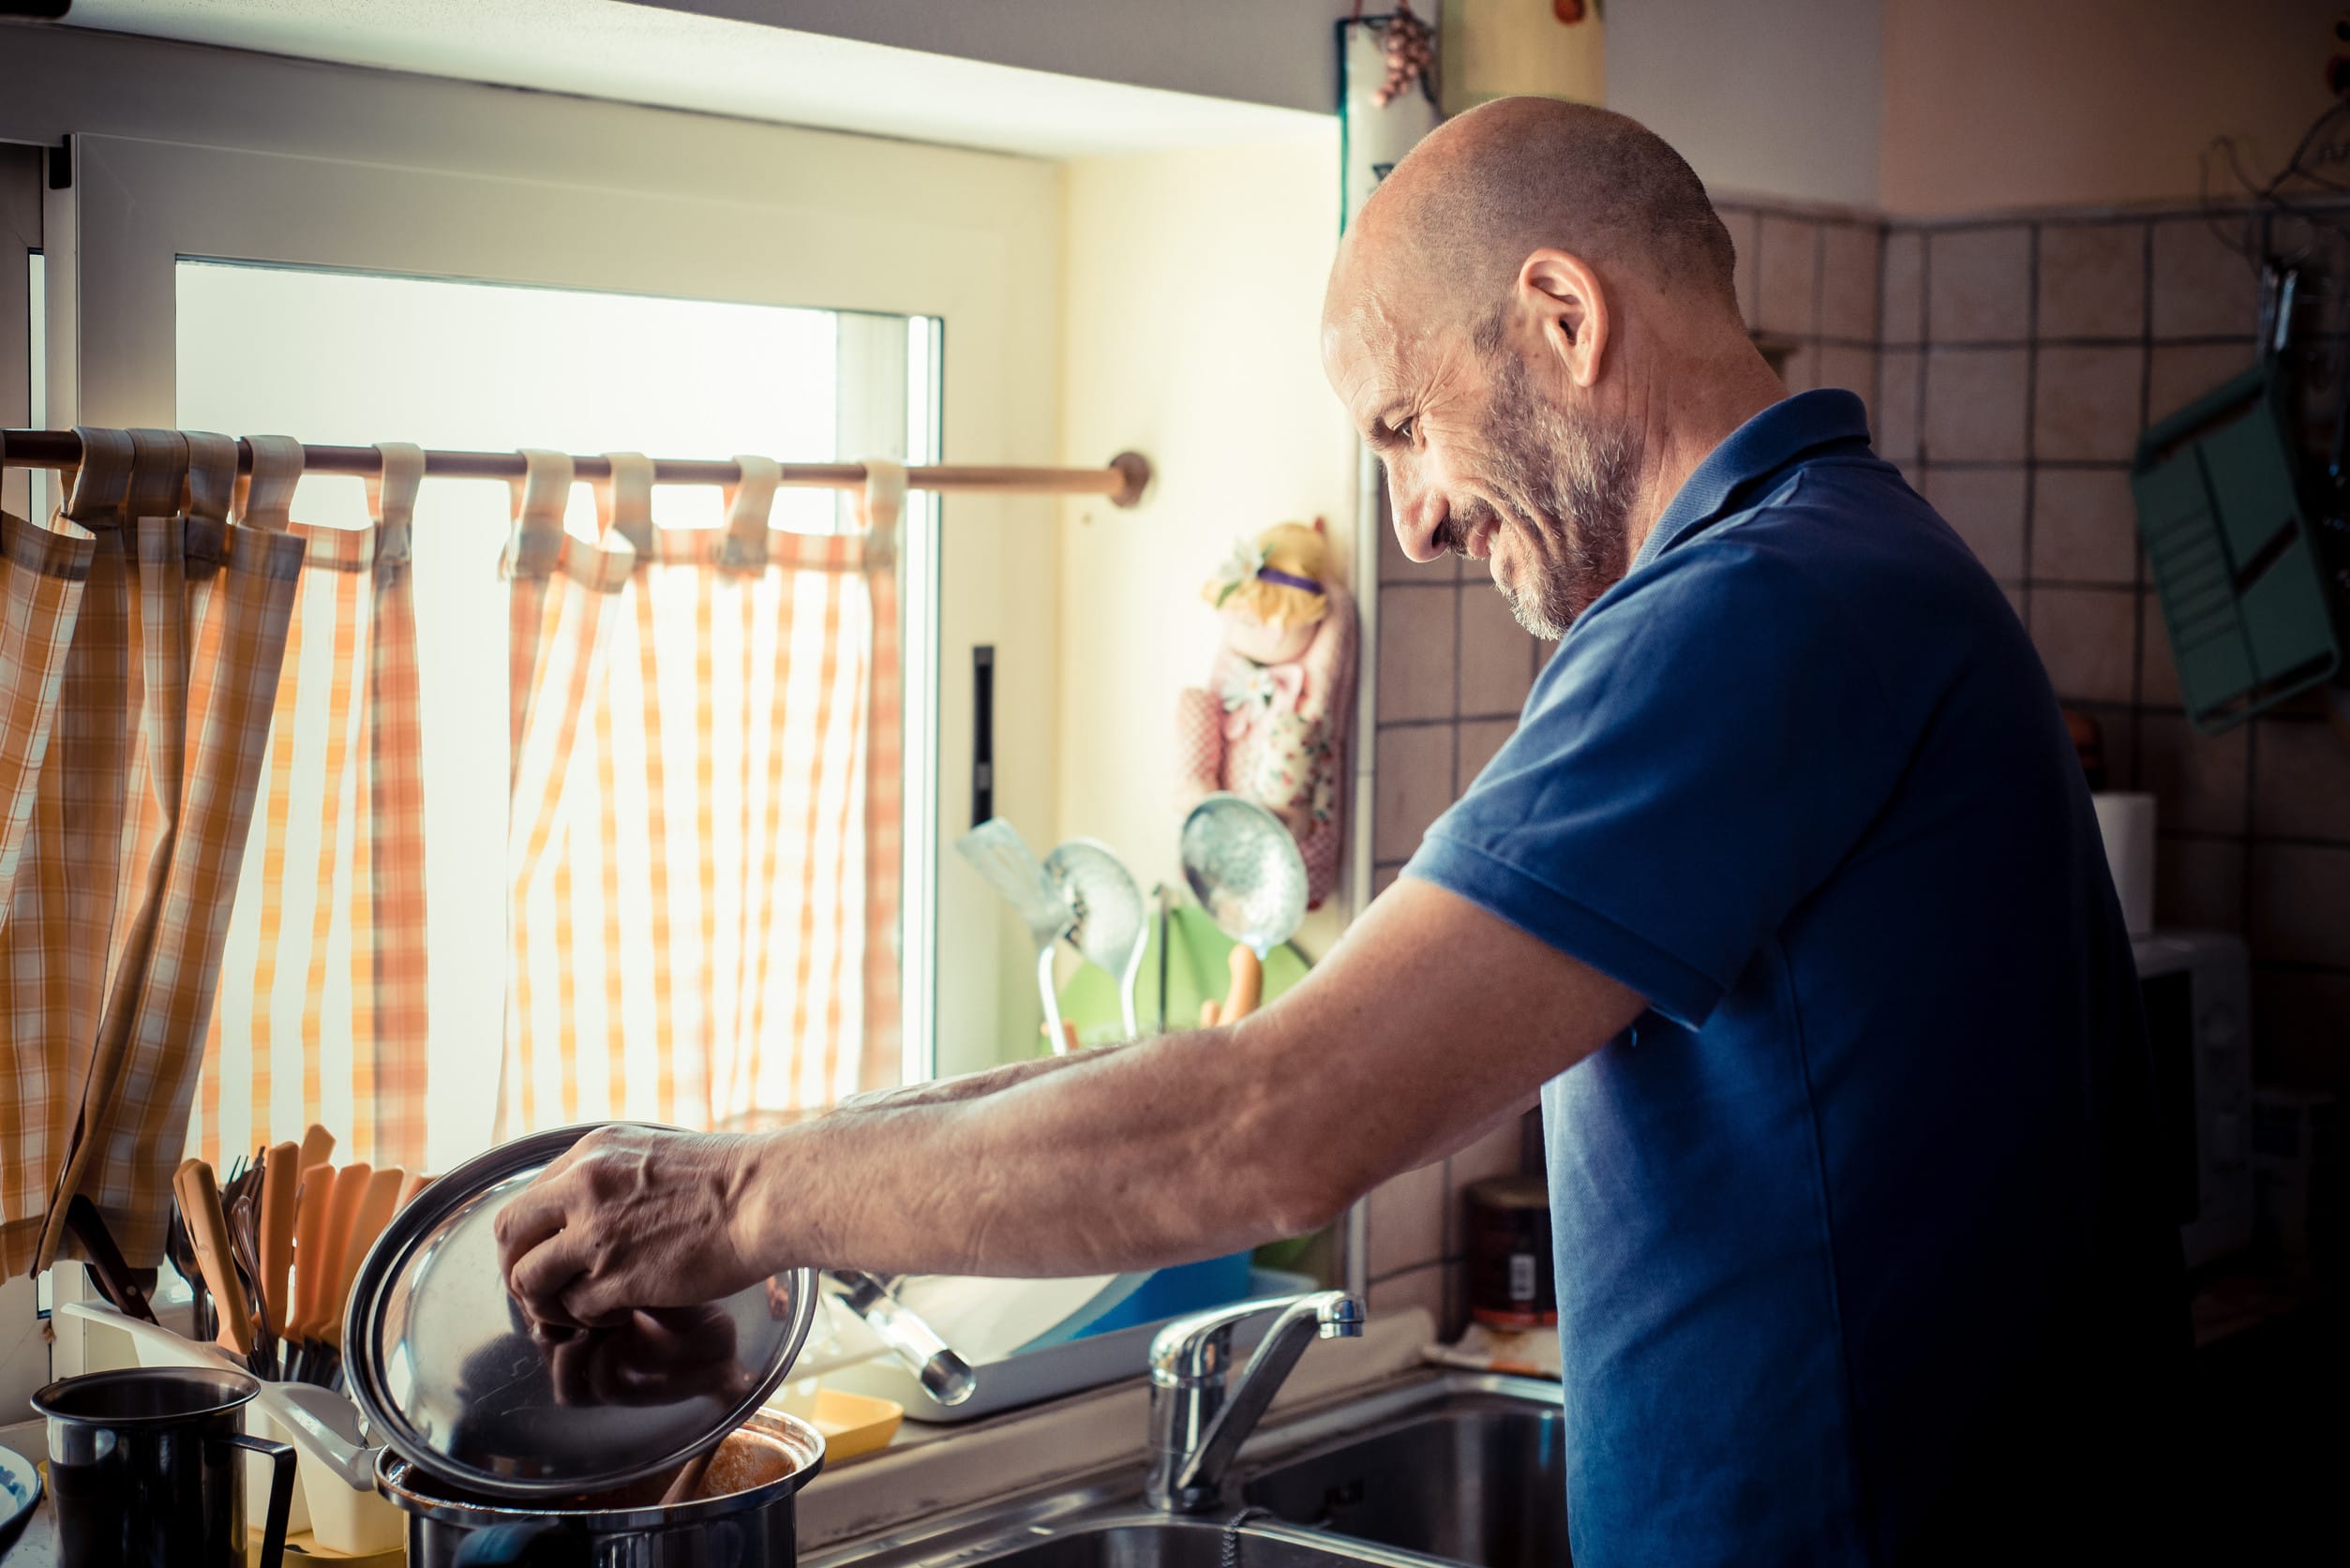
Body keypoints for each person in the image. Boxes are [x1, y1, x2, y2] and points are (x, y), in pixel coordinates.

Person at [499, 97, 2185, 1565]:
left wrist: (749, 1199)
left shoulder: (1750, 612)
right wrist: (771, 1154)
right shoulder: (1831, 565)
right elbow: (1262, 1060)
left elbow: (1272, 1122)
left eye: (1402, 428)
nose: (1417, 516)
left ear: (1560, 316)